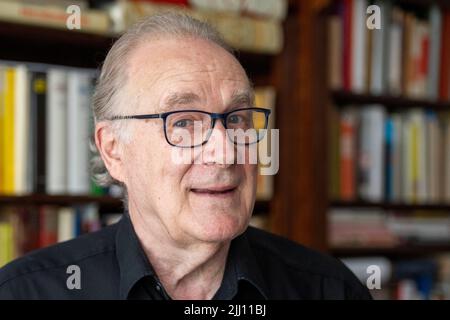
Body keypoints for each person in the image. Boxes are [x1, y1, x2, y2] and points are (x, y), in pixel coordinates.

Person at [0, 12, 371, 300]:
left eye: (237, 118)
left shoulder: (330, 289)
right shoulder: (25, 292)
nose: (225, 153)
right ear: (113, 149)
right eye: (183, 123)